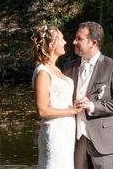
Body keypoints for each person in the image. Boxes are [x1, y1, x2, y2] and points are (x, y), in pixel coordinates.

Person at [64, 21, 113, 169]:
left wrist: (93, 106)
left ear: (93, 42)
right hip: (75, 139)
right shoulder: (68, 67)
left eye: (79, 39)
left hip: (105, 140)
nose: (74, 41)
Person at [32, 24, 80, 169]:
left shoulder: (56, 69)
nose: (65, 42)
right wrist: (71, 110)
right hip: (55, 133)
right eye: (62, 39)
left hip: (66, 132)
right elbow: (42, 110)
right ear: (52, 45)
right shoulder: (43, 72)